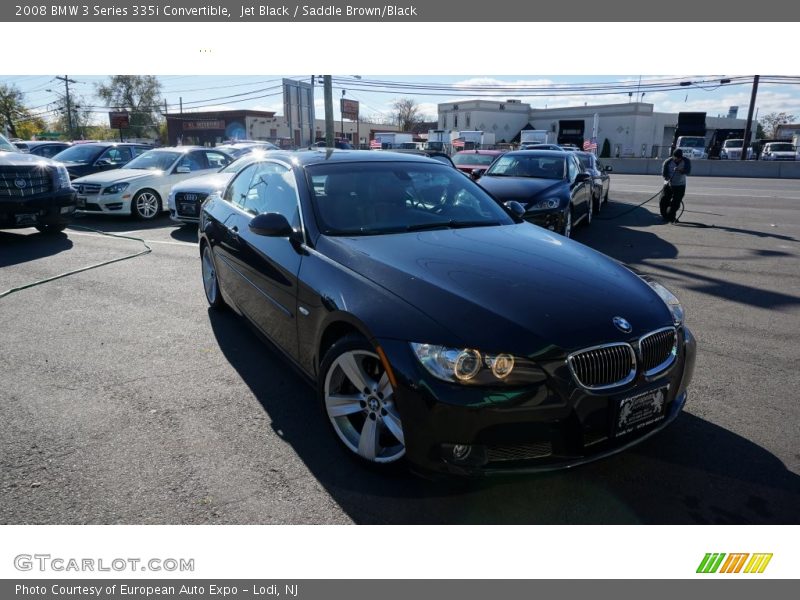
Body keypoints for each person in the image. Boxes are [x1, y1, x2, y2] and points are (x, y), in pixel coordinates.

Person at [661, 149, 692, 223]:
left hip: (680, 185)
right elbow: (664, 174)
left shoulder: (686, 161)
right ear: (673, 156)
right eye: (676, 158)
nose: (677, 159)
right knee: (663, 200)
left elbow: (688, 172)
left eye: (679, 158)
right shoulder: (667, 162)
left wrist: (680, 170)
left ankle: (671, 217)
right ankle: (664, 216)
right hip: (669, 184)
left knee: (676, 202)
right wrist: (668, 178)